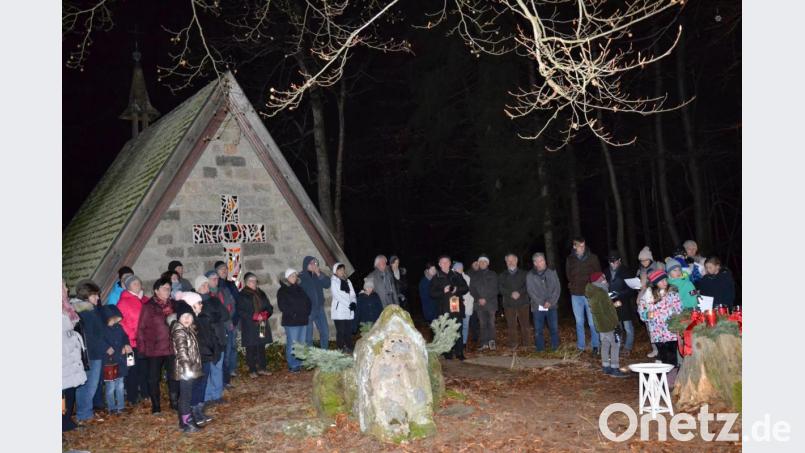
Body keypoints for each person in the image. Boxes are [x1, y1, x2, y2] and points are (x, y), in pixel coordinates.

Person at [137, 278, 179, 414]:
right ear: (156, 291)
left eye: (169, 288)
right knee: (153, 378)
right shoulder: (148, 306)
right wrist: (142, 349)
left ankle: (174, 402)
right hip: (154, 349)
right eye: (165, 288)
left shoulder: (173, 305)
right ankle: (156, 406)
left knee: (173, 376)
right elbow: (141, 328)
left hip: (171, 347)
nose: (168, 291)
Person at [71, 280, 105, 424]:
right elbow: (92, 334)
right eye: (95, 295)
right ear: (87, 295)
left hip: (93, 352)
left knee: (90, 385)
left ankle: (86, 412)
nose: (97, 298)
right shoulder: (86, 311)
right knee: (88, 385)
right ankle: (84, 414)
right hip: (91, 354)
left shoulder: (89, 309)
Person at [171, 297, 204, 433]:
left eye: (189, 316)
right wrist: (186, 367)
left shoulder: (189, 329)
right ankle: (186, 422)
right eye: (184, 316)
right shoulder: (180, 331)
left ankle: (185, 420)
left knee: (187, 395)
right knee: (185, 396)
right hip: (185, 369)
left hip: (190, 368)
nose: (187, 319)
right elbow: (182, 351)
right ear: (179, 318)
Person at [586, 273, 628, 377]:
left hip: (600, 325)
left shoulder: (593, 292)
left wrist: (612, 304)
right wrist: (615, 324)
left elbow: (601, 309)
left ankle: (605, 366)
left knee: (605, 344)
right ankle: (615, 368)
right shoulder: (601, 293)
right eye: (604, 278)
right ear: (600, 280)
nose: (606, 280)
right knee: (615, 345)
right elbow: (608, 311)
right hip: (608, 324)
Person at [638, 269, 682, 367]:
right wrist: (646, 315)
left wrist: (676, 316)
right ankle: (665, 378)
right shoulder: (648, 296)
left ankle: (673, 377)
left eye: (665, 280)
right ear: (655, 283)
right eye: (661, 281)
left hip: (671, 331)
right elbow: (642, 310)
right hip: (657, 332)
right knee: (663, 357)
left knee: (672, 357)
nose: (665, 282)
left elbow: (679, 308)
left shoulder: (672, 293)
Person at [565, 237, 602, 354]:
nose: (582, 248)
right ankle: (581, 347)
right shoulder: (570, 259)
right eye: (579, 246)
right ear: (574, 246)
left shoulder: (592, 258)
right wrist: (572, 284)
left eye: (583, 245)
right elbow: (568, 274)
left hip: (589, 294)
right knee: (579, 322)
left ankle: (596, 345)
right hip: (576, 295)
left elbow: (598, 274)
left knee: (592, 322)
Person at [117, 274, 149, 405]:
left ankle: (146, 393)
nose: (138, 285)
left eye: (138, 283)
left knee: (144, 369)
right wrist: (130, 337)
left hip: (144, 342)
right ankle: (132, 396)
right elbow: (121, 323)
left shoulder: (145, 300)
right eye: (134, 283)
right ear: (128, 286)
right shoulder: (123, 302)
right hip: (131, 343)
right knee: (132, 370)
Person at [430, 255, 470, 360]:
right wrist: (443, 291)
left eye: (447, 262)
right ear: (439, 264)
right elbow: (432, 293)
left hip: (457, 308)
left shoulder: (456, 275)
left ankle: (459, 352)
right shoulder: (436, 277)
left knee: (458, 330)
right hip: (444, 309)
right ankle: (447, 353)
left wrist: (456, 289)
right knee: (446, 330)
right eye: (442, 262)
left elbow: (466, 288)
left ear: (450, 263)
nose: (445, 264)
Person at [237, 273, 274, 377]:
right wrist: (254, 316)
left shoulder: (261, 293)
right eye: (252, 281)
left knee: (261, 345)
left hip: (262, 324)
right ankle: (252, 370)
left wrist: (265, 314)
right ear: (247, 282)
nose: (254, 283)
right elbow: (240, 311)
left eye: (255, 281)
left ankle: (262, 368)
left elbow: (269, 307)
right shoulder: (242, 295)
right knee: (251, 347)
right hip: (250, 325)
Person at [202, 271, 230, 405]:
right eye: (202, 286)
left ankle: (217, 395)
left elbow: (225, 315)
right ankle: (207, 397)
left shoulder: (214, 299)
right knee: (206, 370)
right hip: (206, 340)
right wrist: (214, 316)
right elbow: (202, 319)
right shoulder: (196, 301)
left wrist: (213, 316)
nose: (205, 288)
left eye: (206, 286)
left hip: (219, 338)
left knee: (217, 368)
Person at [62, 280, 87, 432]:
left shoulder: (66, 308)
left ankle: (67, 420)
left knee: (70, 389)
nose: (67, 288)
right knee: (61, 394)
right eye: (63, 286)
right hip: (62, 357)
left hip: (71, 356)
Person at [277, 269, 312, 372]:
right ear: (287, 278)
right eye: (292, 276)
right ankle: (292, 364)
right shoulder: (283, 290)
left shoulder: (300, 289)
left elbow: (308, 302)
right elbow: (282, 306)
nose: (295, 278)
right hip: (291, 321)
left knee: (301, 343)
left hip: (302, 320)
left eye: (295, 276)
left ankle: (299, 362)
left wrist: (306, 313)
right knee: (293, 343)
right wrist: (294, 313)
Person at [526, 253, 561, 352]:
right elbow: (531, 291)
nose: (541, 263)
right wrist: (542, 302)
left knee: (554, 328)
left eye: (542, 260)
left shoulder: (552, 272)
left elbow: (557, 289)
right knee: (538, 330)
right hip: (537, 307)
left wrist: (551, 301)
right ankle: (540, 349)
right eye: (539, 261)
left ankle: (555, 348)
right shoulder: (530, 275)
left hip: (552, 306)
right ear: (535, 263)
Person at [604, 252, 637, 356]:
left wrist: (619, 294)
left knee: (628, 327)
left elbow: (632, 289)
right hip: (611, 303)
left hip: (624, 302)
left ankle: (628, 347)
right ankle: (617, 346)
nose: (613, 264)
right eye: (611, 262)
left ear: (619, 260)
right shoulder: (605, 272)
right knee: (616, 327)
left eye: (615, 261)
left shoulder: (626, 271)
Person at [100, 304, 130, 416]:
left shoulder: (119, 327)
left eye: (116, 318)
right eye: (113, 318)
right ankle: (111, 407)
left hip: (120, 360)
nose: (115, 320)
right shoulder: (102, 329)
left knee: (120, 385)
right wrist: (106, 348)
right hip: (109, 362)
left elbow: (125, 337)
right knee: (110, 386)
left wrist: (126, 345)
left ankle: (121, 407)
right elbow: (98, 340)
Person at [214, 261, 240, 383]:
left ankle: (232, 369)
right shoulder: (215, 285)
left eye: (225, 268)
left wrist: (235, 319)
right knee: (226, 348)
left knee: (233, 346)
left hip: (233, 320)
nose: (224, 271)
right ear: (216, 271)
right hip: (222, 322)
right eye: (221, 269)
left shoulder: (231, 284)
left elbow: (237, 301)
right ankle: (225, 372)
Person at [636, 246, 664, 358]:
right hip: (646, 300)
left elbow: (664, 281)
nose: (644, 262)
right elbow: (640, 286)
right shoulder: (640, 270)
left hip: (657, 298)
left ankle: (663, 349)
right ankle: (655, 349)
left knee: (660, 325)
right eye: (641, 261)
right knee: (649, 326)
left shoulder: (659, 266)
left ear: (650, 259)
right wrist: (638, 292)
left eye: (646, 260)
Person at [498, 253, 530, 349]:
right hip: (509, 304)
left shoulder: (524, 273)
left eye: (512, 260)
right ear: (506, 262)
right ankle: (513, 344)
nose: (510, 262)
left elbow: (528, 286)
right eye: (508, 260)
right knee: (511, 325)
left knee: (525, 325)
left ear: (516, 261)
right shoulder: (502, 275)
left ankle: (527, 344)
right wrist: (510, 293)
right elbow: (500, 288)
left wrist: (519, 292)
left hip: (523, 302)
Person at [300, 256, 331, 348]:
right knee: (308, 336)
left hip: (320, 308)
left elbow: (327, 284)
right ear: (306, 265)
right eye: (311, 263)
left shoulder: (319, 274)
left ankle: (324, 354)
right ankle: (310, 357)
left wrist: (319, 274)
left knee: (325, 332)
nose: (314, 265)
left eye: (315, 263)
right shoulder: (301, 276)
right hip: (308, 310)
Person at [469, 255, 499, 351]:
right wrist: (478, 298)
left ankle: (492, 343)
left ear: (488, 263)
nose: (482, 263)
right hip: (479, 304)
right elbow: (472, 289)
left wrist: (485, 298)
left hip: (491, 303)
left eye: (484, 261)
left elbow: (495, 288)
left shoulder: (493, 274)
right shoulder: (474, 275)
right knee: (482, 324)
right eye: (480, 262)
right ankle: (484, 343)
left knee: (491, 323)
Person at [331, 262, 357, 352]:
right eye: (340, 270)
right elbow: (337, 295)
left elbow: (353, 294)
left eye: (343, 269)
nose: (342, 271)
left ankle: (349, 347)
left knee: (348, 331)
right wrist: (349, 304)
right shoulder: (334, 281)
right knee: (341, 331)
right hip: (339, 311)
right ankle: (340, 348)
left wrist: (353, 302)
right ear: (335, 271)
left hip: (348, 311)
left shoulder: (348, 281)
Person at [452, 262, 474, 345]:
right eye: (457, 268)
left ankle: (464, 342)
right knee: (456, 325)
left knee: (465, 325)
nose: (459, 269)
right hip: (455, 305)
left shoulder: (467, 278)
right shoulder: (451, 277)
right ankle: (456, 342)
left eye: (461, 268)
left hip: (467, 305)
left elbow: (470, 292)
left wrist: (469, 303)